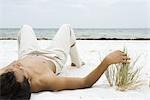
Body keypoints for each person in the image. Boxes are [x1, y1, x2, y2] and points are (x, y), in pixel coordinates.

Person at [0, 24, 130, 100]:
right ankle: (77, 62)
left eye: (11, 69)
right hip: (52, 57)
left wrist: (12, 69)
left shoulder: (6, 78)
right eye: (20, 70)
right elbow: (85, 82)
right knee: (66, 28)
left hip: (27, 53)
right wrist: (106, 62)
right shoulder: (46, 80)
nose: (16, 65)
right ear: (28, 82)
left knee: (25, 28)